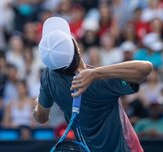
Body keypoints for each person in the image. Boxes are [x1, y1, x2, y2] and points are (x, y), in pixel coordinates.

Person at [33, 17, 152, 152]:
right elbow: (145, 68)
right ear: (77, 47)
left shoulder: (48, 76)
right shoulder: (100, 81)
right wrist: (96, 73)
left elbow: (41, 117)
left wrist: (37, 103)